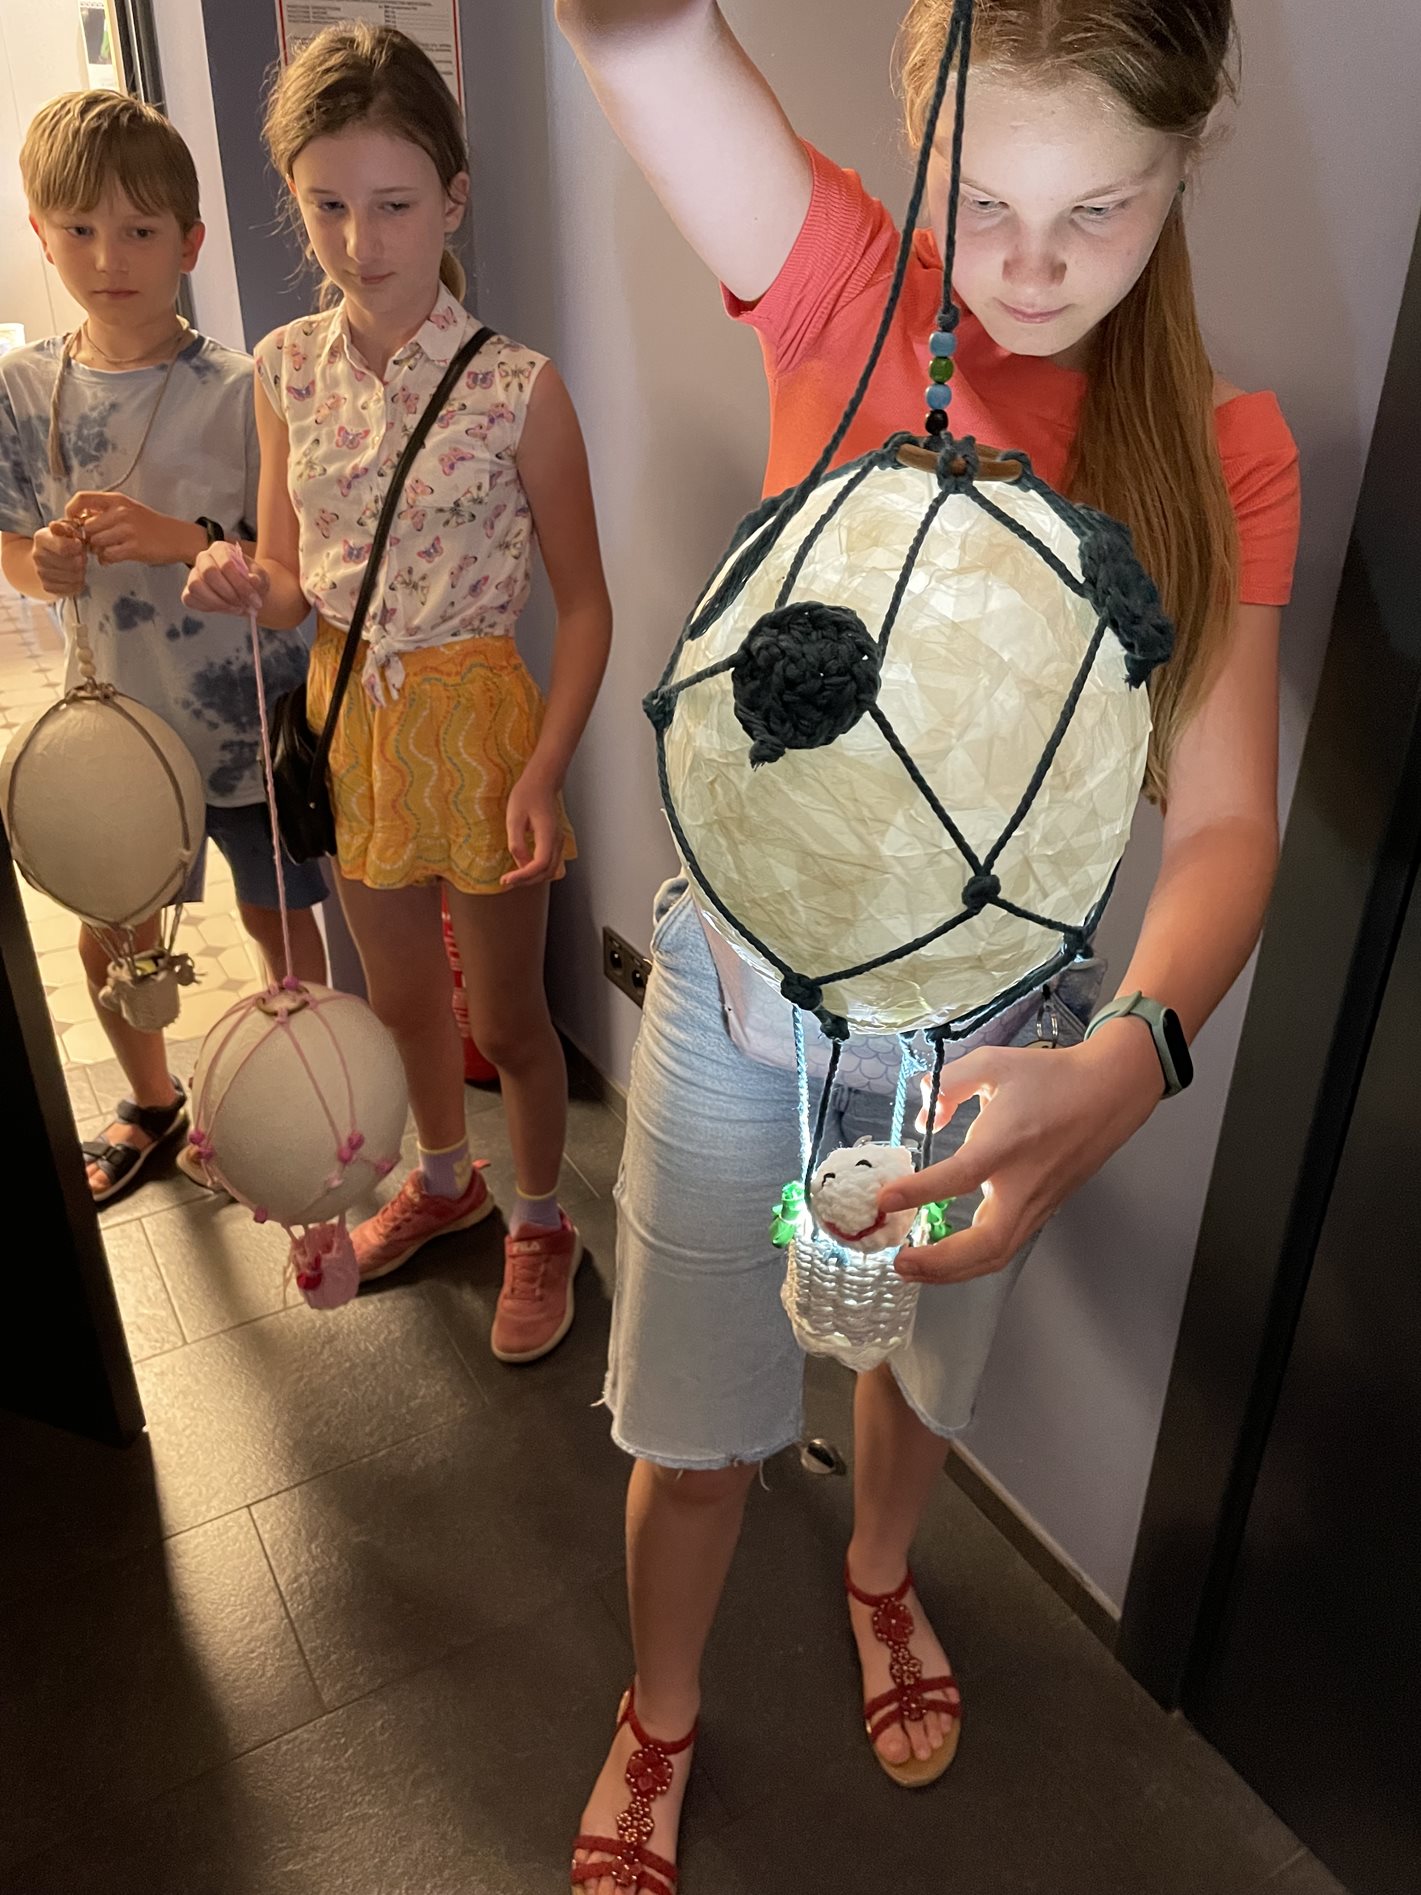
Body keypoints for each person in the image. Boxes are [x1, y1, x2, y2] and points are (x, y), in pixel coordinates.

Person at [556, 0, 1300, 1886]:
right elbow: (633, 37)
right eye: (980, 201)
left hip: (1001, 1044)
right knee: (696, 1431)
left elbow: (1226, 825)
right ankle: (661, 1706)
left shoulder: (1218, 455)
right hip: (745, 997)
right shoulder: (843, 292)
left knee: (913, 1375)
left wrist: (1120, 1068)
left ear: (1183, 163)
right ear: (919, 132)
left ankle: (881, 1573)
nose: (1030, 268)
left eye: (1099, 208)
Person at [184, 26, 613, 1362]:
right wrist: (237, 577)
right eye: (326, 206)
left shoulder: (518, 389)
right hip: (348, 717)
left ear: (451, 198)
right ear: (293, 199)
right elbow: (290, 580)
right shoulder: (283, 368)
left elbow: (586, 605)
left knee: (508, 1016)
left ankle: (538, 1217)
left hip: (480, 726)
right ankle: (443, 1179)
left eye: (392, 204)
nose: (359, 241)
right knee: (401, 1002)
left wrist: (543, 766)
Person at [0, 91, 328, 1205]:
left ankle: (299, 1099)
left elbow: (292, 567)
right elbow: (11, 543)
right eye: (80, 229)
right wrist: (41, 562)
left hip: (250, 722)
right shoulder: (25, 390)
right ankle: (150, 1101)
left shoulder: (247, 390)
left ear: (189, 243)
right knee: (112, 930)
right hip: (117, 731)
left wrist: (181, 538)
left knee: (280, 920)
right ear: (40, 232)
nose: (110, 258)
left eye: (140, 230)